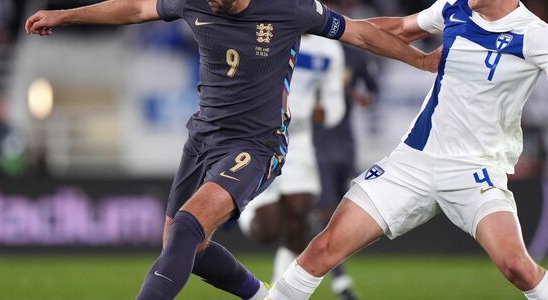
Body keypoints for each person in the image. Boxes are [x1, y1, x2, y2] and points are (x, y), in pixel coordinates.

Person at [25, 0, 438, 299]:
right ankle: (262, 297)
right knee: (183, 246)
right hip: (202, 137)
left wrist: (420, 62)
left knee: (189, 225)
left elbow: (361, 33)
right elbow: (134, 9)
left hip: (257, 145)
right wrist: (65, 15)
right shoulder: (194, 3)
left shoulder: (289, 8)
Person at [268, 1, 548, 299]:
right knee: (321, 249)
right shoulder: (454, 8)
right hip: (414, 161)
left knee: (517, 267)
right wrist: (327, 26)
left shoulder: (532, 33)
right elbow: (399, 27)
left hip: (475, 170)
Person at [237, 32, 345, 293]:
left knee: (299, 219)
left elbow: (334, 99)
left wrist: (327, 113)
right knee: (268, 229)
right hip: (259, 137)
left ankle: (278, 293)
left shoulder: (329, 49)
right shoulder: (267, 31)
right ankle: (241, 209)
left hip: (300, 140)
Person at [309, 43, 380, 300]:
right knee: (327, 211)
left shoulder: (355, 55)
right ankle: (340, 281)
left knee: (347, 209)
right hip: (314, 144)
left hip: (345, 143)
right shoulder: (308, 50)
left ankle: (328, 266)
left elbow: (373, 89)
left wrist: (362, 96)